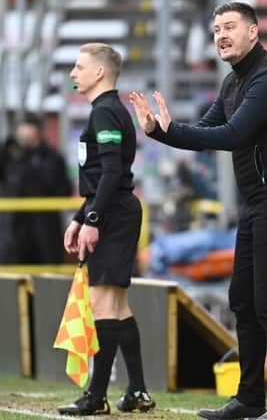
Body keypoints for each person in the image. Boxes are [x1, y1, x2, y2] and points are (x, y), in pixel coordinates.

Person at [129, 2, 267, 420]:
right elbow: (208, 133)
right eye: (216, 29)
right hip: (259, 200)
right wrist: (160, 132)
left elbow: (232, 135)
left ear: (255, 31)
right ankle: (249, 398)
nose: (221, 35)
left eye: (230, 26)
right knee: (242, 299)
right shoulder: (235, 82)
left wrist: (171, 130)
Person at [57, 43, 155, 416]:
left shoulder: (106, 112)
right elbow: (103, 179)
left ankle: (96, 397)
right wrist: (81, 216)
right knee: (118, 305)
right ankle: (138, 391)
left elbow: (114, 174)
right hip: (111, 210)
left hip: (114, 214)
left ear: (100, 72)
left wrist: (93, 220)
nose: (72, 74)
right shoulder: (106, 110)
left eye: (79, 67)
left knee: (103, 305)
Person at [0, 114, 72, 264]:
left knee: (46, 279)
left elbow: (64, 190)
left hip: (44, 232)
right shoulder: (9, 157)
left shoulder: (52, 158)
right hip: (13, 232)